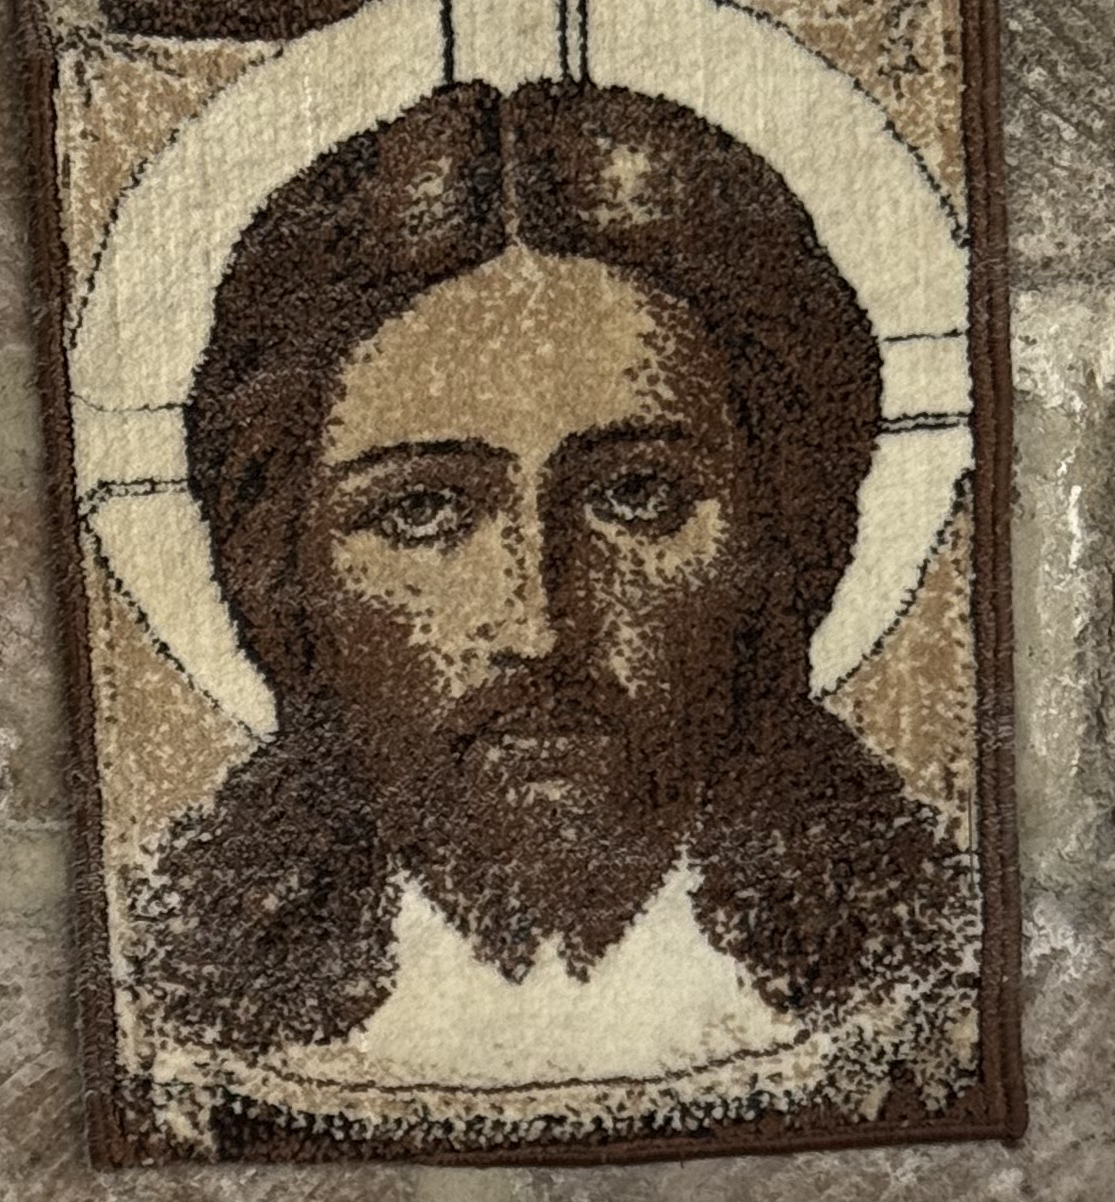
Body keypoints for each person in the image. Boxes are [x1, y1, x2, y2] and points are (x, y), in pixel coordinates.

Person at [130, 77, 978, 1133]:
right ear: (282, 573)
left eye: (636, 496)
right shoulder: (190, 1021)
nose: (536, 624)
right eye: (423, 510)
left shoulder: (916, 973)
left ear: (780, 531)